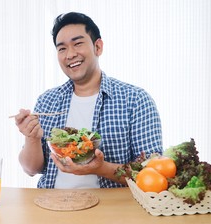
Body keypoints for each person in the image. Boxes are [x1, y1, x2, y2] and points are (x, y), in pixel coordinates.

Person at [14, 12, 162, 188]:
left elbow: (152, 173)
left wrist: (100, 168)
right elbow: (31, 169)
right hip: (53, 205)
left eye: (77, 44)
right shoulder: (47, 101)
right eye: (62, 48)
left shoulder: (136, 100)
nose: (70, 54)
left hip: (109, 210)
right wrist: (32, 138)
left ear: (98, 47)